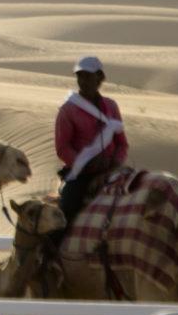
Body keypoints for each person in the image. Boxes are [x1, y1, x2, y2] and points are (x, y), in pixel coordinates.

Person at [54, 55, 129, 226]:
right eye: (80, 76)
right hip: (82, 174)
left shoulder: (111, 106)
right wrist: (86, 164)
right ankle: (55, 248)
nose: (83, 81)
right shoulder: (68, 110)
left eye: (88, 76)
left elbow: (122, 143)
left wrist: (115, 162)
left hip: (112, 170)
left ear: (100, 77)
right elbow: (62, 147)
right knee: (66, 212)